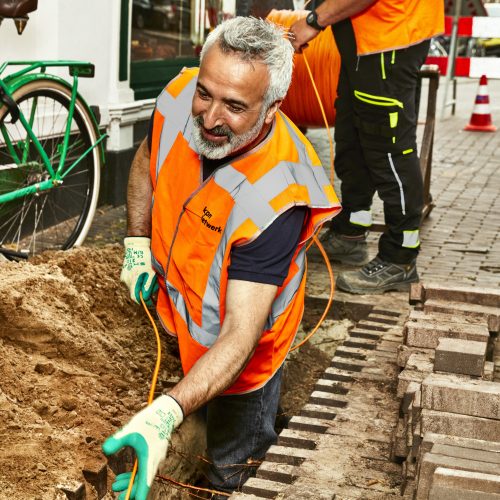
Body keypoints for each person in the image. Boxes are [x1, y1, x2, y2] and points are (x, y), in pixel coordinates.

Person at [103, 16, 340, 499]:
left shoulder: (279, 195)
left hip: (243, 358)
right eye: (206, 93)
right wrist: (136, 242)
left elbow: (239, 333)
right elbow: (149, 160)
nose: (210, 118)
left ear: (272, 108)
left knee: (233, 468)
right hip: (184, 320)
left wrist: (167, 412)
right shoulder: (176, 98)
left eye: (234, 106)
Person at [290, 0, 444, 294]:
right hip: (364, 45)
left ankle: (400, 258)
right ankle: (350, 232)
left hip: (389, 41)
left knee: (389, 149)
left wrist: (314, 20)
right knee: (353, 140)